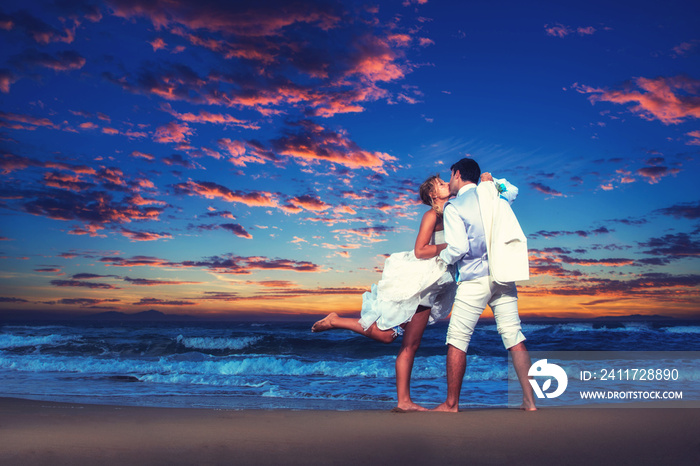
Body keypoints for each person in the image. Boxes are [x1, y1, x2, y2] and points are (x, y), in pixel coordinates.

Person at [311, 174, 457, 411]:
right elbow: (420, 250)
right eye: (440, 184)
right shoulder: (432, 215)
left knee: (391, 337)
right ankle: (404, 402)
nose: (446, 184)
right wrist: (451, 246)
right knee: (407, 344)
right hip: (422, 283)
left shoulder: (452, 211)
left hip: (434, 283)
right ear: (433, 195)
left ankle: (336, 321)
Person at [433, 158, 537, 412]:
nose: (449, 183)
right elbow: (513, 190)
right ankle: (530, 402)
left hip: (473, 279)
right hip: (503, 275)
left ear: (458, 174)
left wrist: (441, 258)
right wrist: (493, 181)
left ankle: (451, 404)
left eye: (450, 177)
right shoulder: (493, 194)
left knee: (457, 339)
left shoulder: (454, 207)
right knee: (514, 336)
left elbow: (457, 248)